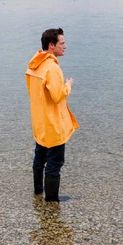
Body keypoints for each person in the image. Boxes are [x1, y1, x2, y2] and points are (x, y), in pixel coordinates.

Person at [25, 28, 79, 202]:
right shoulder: (51, 67)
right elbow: (57, 96)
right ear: (51, 45)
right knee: (55, 163)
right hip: (53, 124)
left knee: (40, 156)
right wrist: (68, 85)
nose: (65, 46)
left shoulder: (34, 65)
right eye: (62, 43)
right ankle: (52, 201)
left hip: (39, 122)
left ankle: (38, 191)